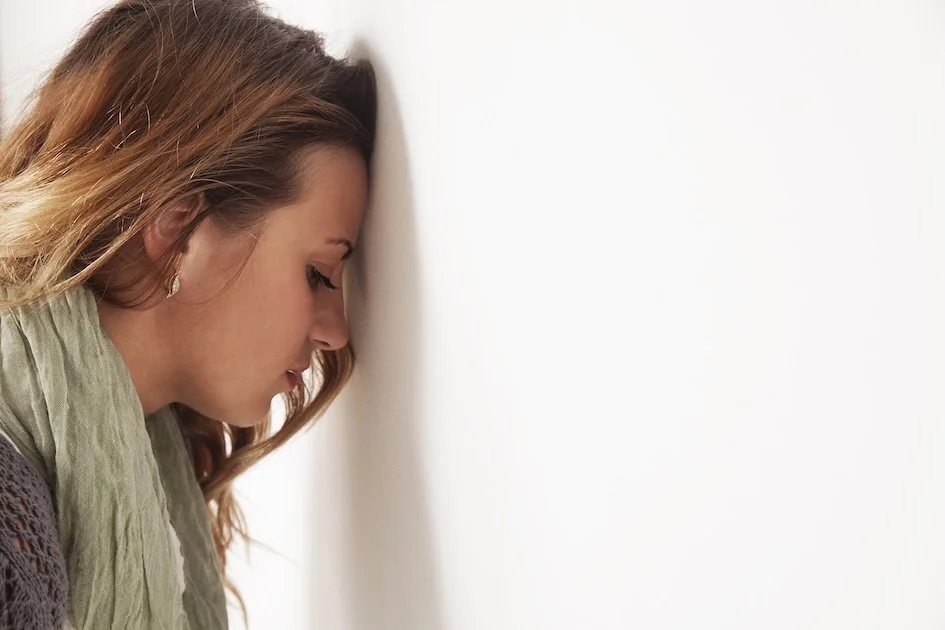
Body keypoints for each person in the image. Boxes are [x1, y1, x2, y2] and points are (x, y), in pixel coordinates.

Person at [0, 0, 376, 627]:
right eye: (318, 273)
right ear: (179, 229)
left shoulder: (135, 476)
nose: (334, 330)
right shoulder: (9, 531)